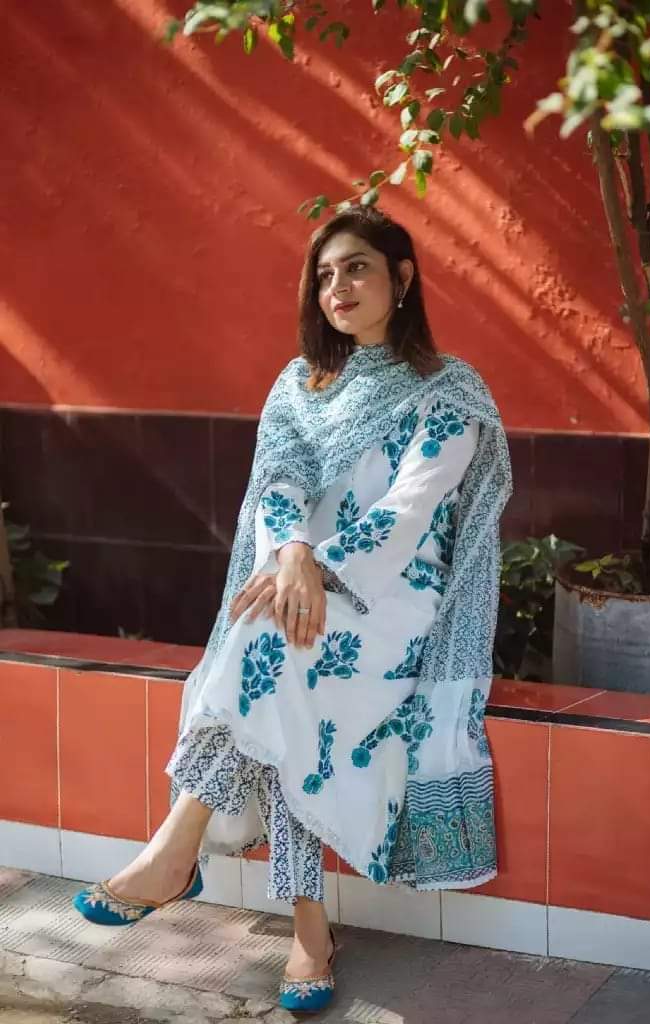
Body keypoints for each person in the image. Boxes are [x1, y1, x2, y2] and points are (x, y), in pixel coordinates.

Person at [72, 206, 513, 1014]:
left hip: (395, 599)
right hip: (298, 584)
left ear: (402, 278)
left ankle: (179, 852)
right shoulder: (302, 383)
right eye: (325, 274)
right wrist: (293, 554)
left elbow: (410, 512)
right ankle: (305, 927)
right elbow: (278, 484)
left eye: (357, 267)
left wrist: (318, 565)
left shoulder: (448, 390)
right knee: (281, 655)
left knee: (273, 647)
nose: (337, 287)